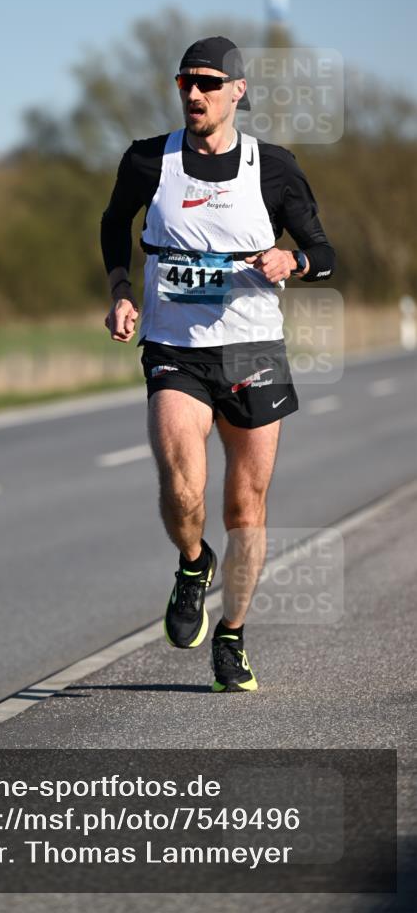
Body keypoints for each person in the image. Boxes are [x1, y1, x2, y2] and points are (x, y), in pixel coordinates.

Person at [101, 36, 335, 692]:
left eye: (207, 83)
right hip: (174, 348)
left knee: (245, 508)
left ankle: (230, 636)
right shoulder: (149, 161)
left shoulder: (274, 168)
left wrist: (294, 261)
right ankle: (191, 561)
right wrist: (120, 289)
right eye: (185, 84)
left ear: (237, 91)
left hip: (253, 348)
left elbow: (323, 250)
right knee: (181, 483)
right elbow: (112, 223)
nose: (194, 94)